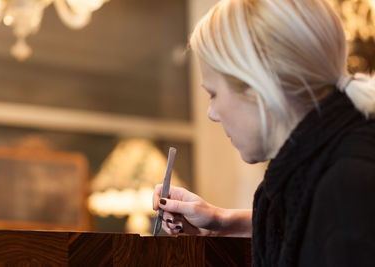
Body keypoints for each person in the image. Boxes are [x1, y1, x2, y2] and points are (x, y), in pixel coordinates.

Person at [153, 0, 375, 266]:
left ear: (258, 85)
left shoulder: (349, 186)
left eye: (213, 94)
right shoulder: (322, 172)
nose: (212, 114)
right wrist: (221, 222)